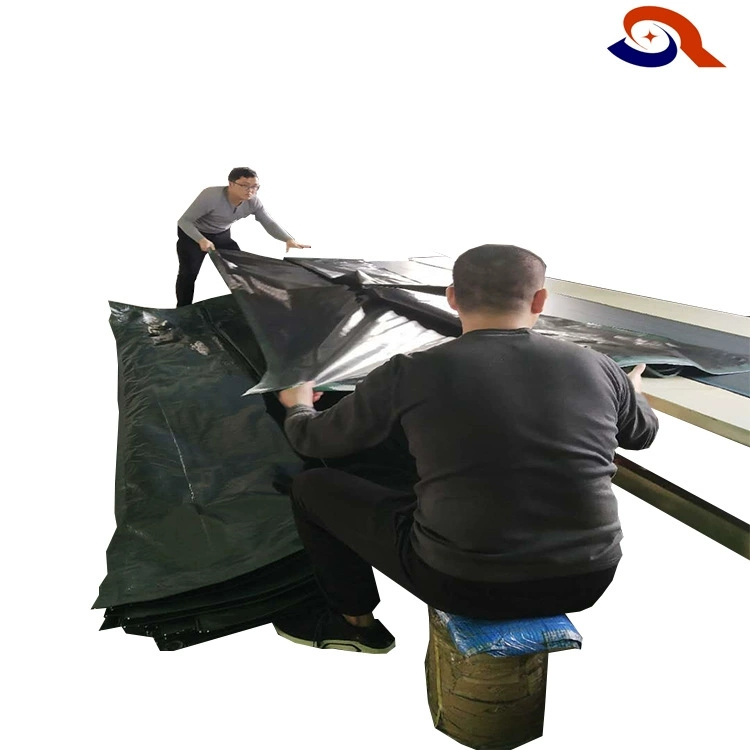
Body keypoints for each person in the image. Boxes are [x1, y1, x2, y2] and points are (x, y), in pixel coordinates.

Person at [273, 244, 659, 654]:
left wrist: (298, 406)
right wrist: (633, 391)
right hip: (588, 578)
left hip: (463, 585)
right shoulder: (598, 365)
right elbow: (642, 435)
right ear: (541, 300)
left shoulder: (410, 371)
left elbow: (313, 440)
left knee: (312, 487)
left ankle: (356, 624)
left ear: (452, 297)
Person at [175, 167, 310, 306]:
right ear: (231, 184)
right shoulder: (211, 196)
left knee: (240, 267)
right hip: (193, 234)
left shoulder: (253, 202)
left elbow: (268, 222)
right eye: (245, 185)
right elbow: (184, 221)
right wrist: (201, 239)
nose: (250, 190)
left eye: (255, 186)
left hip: (221, 234)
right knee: (189, 273)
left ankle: (249, 305)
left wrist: (288, 239)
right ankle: (182, 308)